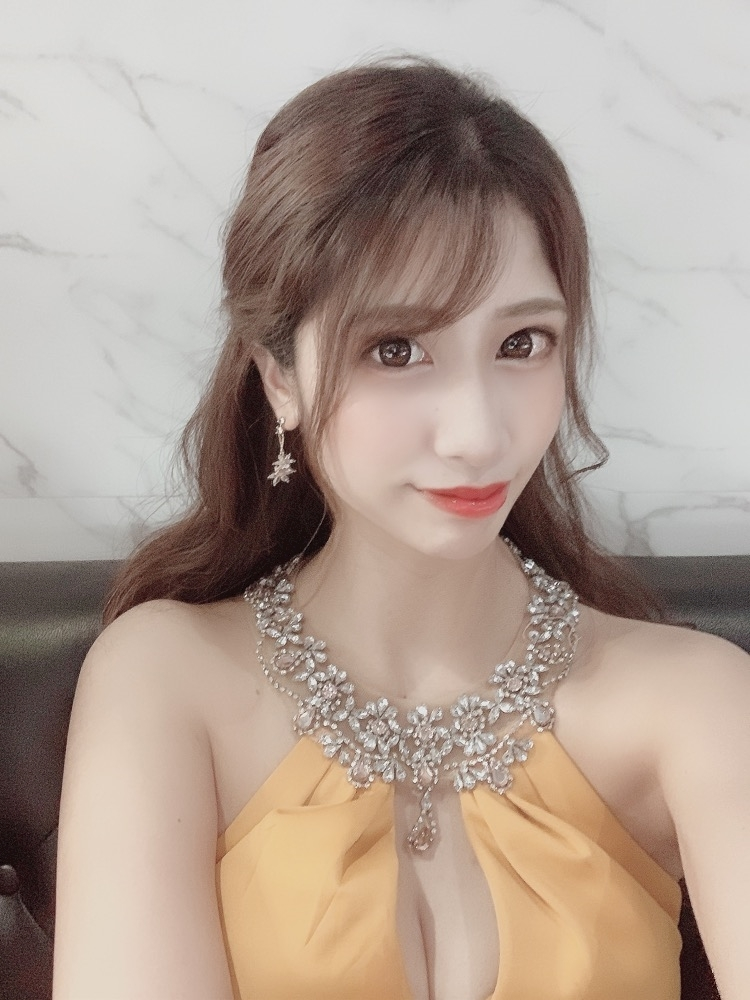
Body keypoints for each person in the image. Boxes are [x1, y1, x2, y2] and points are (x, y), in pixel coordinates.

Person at [53, 58, 749, 1000]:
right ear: (279, 376)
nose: (478, 434)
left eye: (521, 344)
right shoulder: (167, 679)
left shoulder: (697, 705)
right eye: (395, 349)